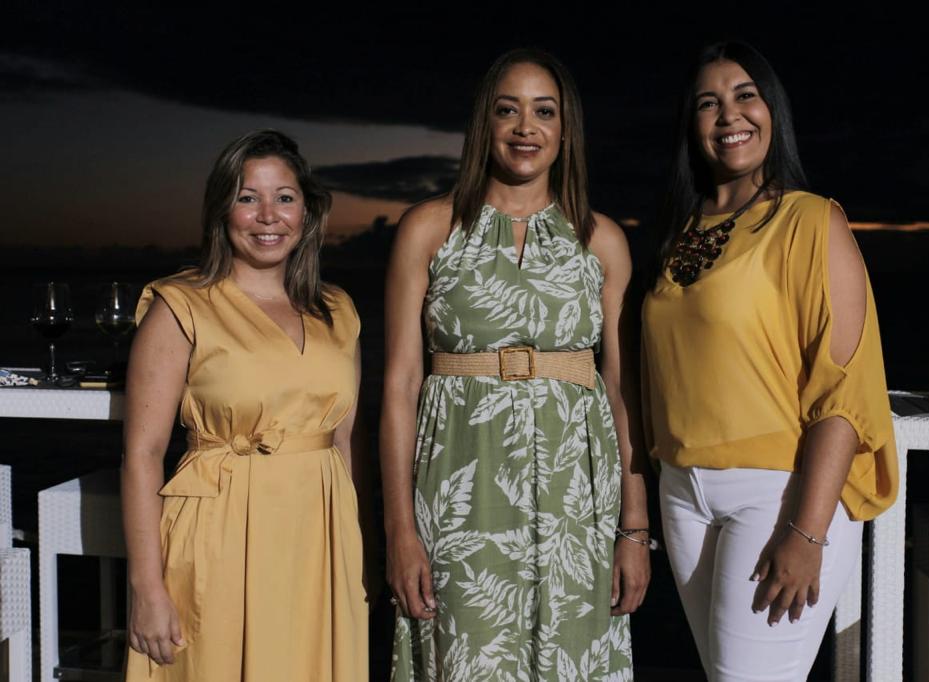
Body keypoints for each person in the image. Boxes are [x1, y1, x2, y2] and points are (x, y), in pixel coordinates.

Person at [382, 48, 650, 680]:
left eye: (544, 111)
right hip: (460, 491)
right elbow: (399, 385)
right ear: (485, 123)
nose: (526, 127)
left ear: (565, 130)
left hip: (578, 501)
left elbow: (620, 390)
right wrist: (399, 531)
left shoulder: (602, 240)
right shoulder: (428, 228)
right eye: (508, 110)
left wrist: (635, 529)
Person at [640, 42, 898, 680]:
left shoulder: (810, 221)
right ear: (691, 125)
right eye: (709, 103)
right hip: (683, 491)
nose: (729, 114)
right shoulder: (680, 233)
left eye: (745, 95)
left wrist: (807, 533)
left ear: (772, 110)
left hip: (777, 492)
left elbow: (844, 388)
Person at [122, 130, 369, 681]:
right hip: (221, 532)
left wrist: (353, 553)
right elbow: (142, 454)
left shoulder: (338, 311)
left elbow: (343, 442)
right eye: (247, 197)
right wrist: (147, 588)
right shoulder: (180, 305)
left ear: (306, 211)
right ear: (221, 210)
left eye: (284, 197)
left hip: (318, 540)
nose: (268, 216)